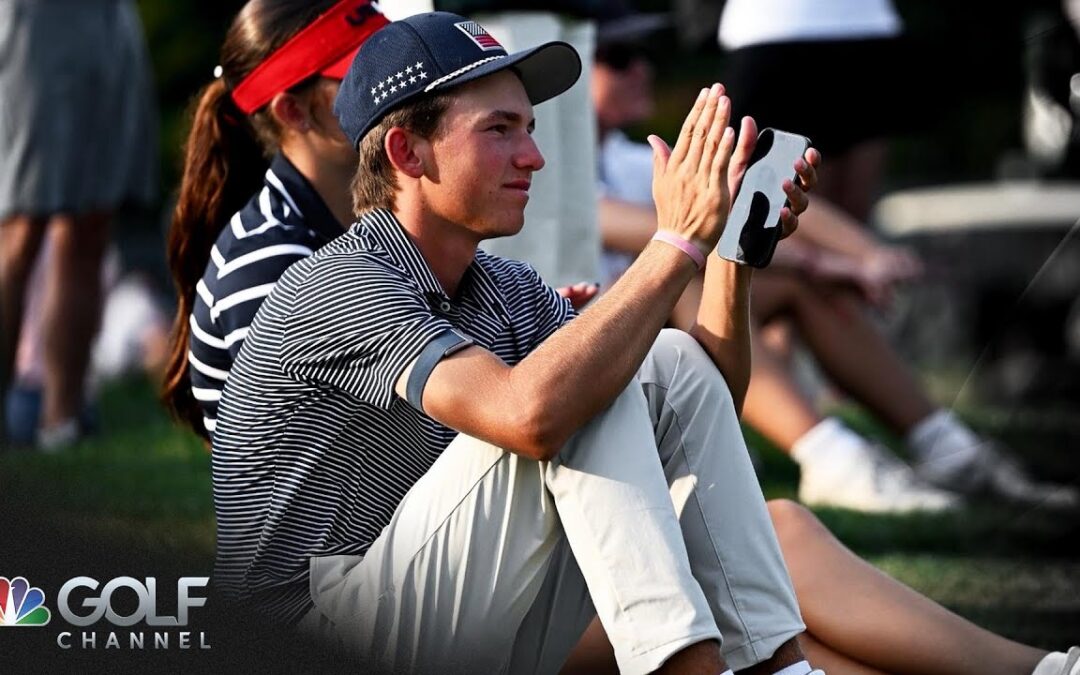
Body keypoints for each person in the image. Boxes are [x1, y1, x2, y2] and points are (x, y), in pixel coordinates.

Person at [212, 10, 827, 674]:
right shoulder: (336, 282)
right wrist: (674, 243)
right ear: (406, 153)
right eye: (499, 130)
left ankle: (780, 669)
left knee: (649, 364)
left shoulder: (505, 285)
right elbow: (532, 415)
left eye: (528, 129)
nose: (533, 156)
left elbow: (699, 402)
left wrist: (730, 250)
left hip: (433, 617)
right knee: (580, 386)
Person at [592, 15, 1079, 513]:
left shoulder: (624, 158)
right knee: (690, 280)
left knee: (798, 284)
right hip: (596, 344)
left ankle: (944, 447)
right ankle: (828, 457)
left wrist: (866, 253)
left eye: (645, 56)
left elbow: (734, 200)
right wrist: (819, 260)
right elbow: (680, 227)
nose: (642, 71)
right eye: (619, 58)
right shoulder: (552, 164)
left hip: (640, 333)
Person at [161, 0, 390, 440]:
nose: (395, 83)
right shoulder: (271, 259)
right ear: (293, 111)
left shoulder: (363, 224)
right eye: (362, 73)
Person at [0, 0, 156, 448]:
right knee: (20, 225)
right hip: (31, 20)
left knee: (90, 221)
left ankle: (62, 425)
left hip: (106, 17)